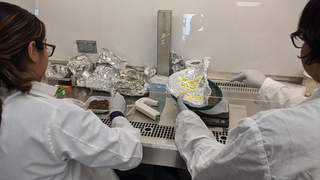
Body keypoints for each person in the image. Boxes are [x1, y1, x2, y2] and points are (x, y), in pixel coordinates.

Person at [175, 0, 320, 179]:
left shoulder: (266, 133)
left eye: (303, 38)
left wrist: (188, 121)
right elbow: (309, 109)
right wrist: (265, 84)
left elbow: (210, 167)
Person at [0, 2, 143, 180]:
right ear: (32, 51)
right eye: (45, 46)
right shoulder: (54, 116)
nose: (46, 53)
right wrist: (116, 114)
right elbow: (130, 152)